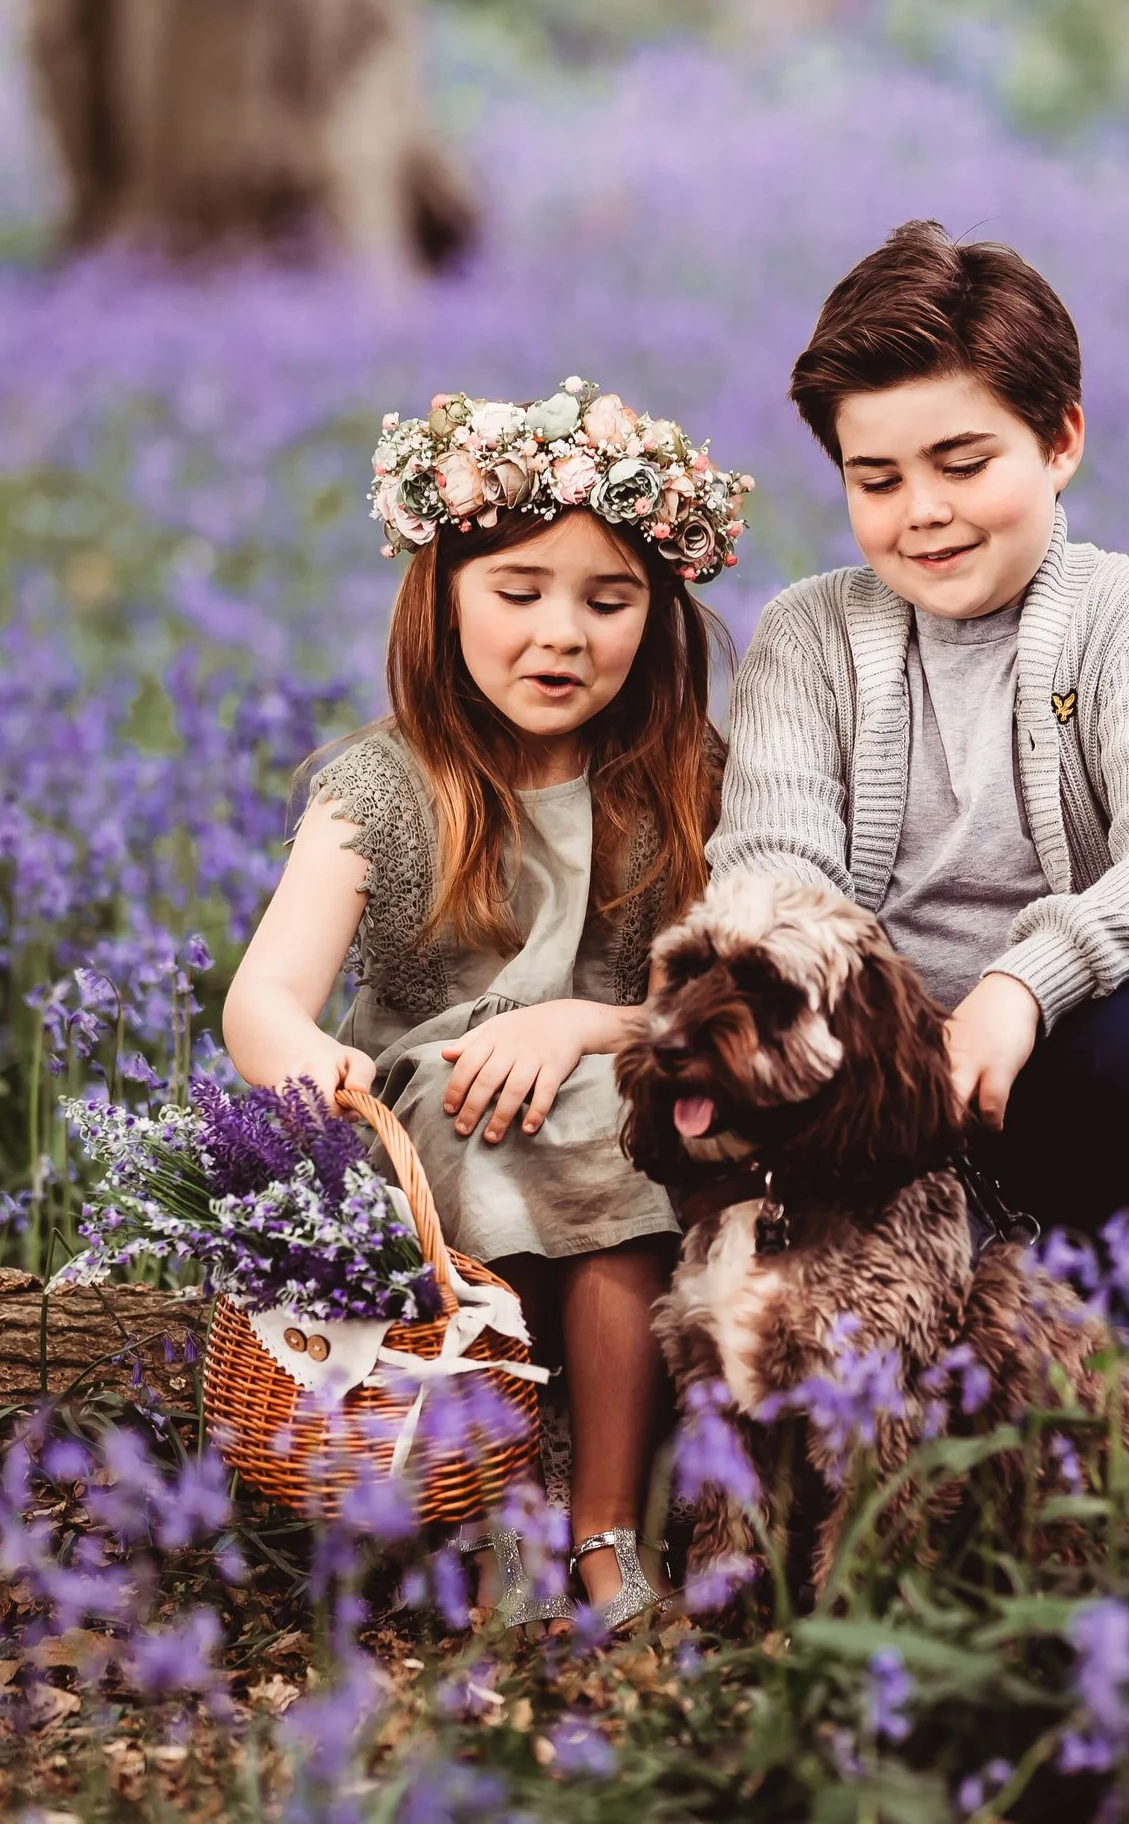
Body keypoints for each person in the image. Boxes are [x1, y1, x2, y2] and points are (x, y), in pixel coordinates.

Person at [224, 378, 744, 1629]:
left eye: (607, 601)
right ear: (442, 596)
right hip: (425, 1118)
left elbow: (731, 1002)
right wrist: (325, 1084)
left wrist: (584, 1025)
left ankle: (607, 1527)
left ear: (656, 617)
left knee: (600, 1130)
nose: (560, 635)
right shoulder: (388, 788)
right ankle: (505, 1511)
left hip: (625, 1085)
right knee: (506, 1120)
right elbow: (262, 1001)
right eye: (518, 594)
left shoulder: (686, 780)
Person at [709, 221, 1129, 1236]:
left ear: (1060, 441)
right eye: (876, 480)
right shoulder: (807, 634)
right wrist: (890, 1050)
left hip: (1065, 1062)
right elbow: (770, 869)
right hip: (865, 1073)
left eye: (962, 465)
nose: (921, 512)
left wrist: (1021, 987)